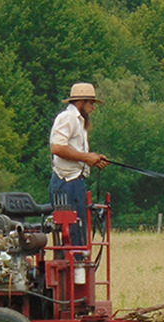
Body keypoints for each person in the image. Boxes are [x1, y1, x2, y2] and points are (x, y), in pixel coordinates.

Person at [49, 82, 109, 249]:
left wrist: (94, 159)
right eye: (91, 103)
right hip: (67, 183)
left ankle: (78, 270)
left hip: (75, 181)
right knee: (74, 234)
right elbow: (57, 147)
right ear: (80, 102)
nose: (93, 108)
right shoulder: (67, 118)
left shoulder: (78, 121)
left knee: (79, 233)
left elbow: (72, 151)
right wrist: (86, 158)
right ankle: (75, 270)